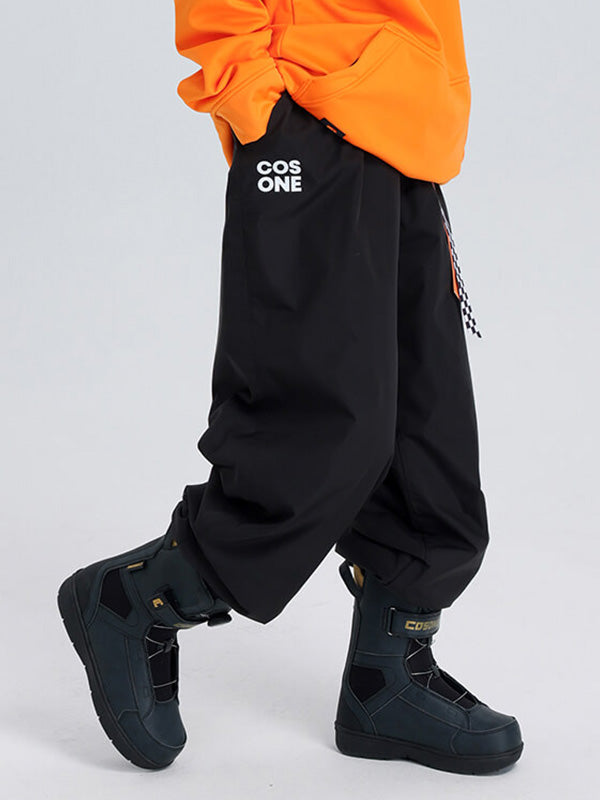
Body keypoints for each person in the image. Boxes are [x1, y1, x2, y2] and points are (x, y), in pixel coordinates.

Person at [57, 0, 524, 775]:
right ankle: (140, 597)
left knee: (428, 432)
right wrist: (257, 103)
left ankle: (388, 681)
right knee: (321, 423)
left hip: (409, 123)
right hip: (313, 112)